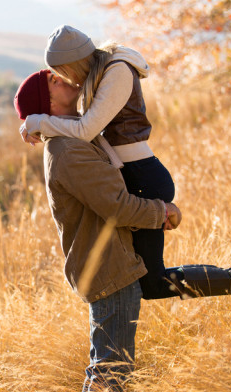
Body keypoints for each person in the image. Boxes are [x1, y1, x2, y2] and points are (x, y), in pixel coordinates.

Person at [13, 69, 231, 392]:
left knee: (117, 354)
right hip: (109, 269)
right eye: (52, 80)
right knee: (111, 370)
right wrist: (161, 211)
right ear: (47, 102)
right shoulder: (68, 150)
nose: (62, 76)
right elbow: (117, 206)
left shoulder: (76, 134)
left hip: (116, 258)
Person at [20, 25, 178, 300]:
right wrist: (35, 120)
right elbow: (77, 123)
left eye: (61, 71)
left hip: (142, 176)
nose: (63, 78)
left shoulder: (116, 71)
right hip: (132, 175)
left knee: (153, 283)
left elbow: (85, 129)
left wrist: (38, 121)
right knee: (149, 283)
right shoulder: (97, 76)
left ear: (72, 62)